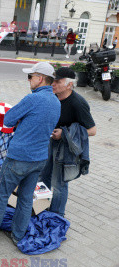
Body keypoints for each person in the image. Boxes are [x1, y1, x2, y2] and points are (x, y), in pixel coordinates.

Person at [0, 62, 60, 245]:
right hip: (40, 157)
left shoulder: (32, 99)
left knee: (1, 194)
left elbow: (8, 120)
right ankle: (18, 235)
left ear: (40, 78)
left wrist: (21, 121)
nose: (28, 80)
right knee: (25, 198)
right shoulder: (56, 102)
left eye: (30, 77)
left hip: (20, 156)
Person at [40, 67, 96, 217]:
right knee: (43, 175)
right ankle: (40, 206)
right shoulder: (54, 97)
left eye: (57, 81)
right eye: (53, 81)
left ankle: (57, 216)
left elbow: (92, 130)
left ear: (69, 85)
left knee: (59, 183)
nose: (53, 84)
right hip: (50, 142)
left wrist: (64, 134)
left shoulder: (78, 103)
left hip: (65, 148)